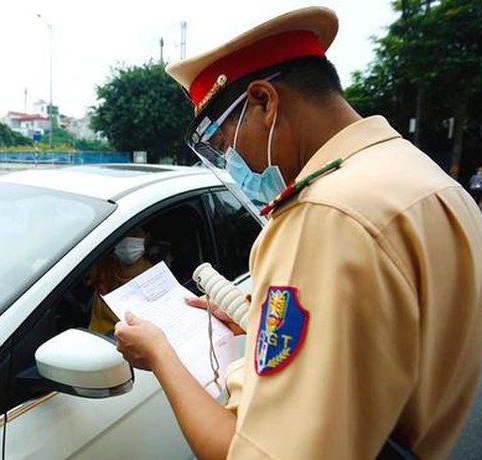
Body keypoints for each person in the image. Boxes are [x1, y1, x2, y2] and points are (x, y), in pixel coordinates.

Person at [114, 7, 482, 460]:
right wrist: (255, 319)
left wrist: (160, 355)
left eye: (222, 142)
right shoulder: (429, 181)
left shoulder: (325, 216)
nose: (232, 162)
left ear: (264, 101)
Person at [85, 227, 152, 335]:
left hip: (126, 340)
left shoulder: (153, 275)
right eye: (124, 234)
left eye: (134, 234)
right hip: (96, 334)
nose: (127, 241)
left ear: (146, 238)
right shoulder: (104, 264)